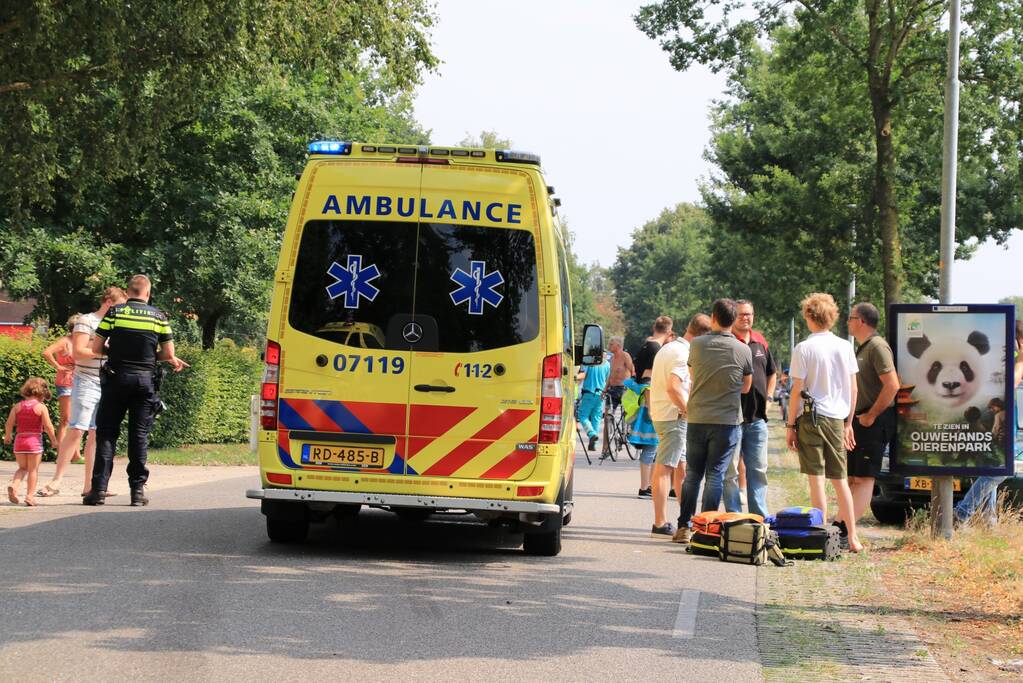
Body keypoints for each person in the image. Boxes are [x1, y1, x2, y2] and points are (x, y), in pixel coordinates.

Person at [84, 275, 189, 506]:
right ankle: (137, 493)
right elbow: (168, 354)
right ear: (148, 293)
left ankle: (98, 490)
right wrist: (151, 357)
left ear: (128, 291)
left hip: (116, 379)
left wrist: (119, 353)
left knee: (107, 434)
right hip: (145, 382)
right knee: (139, 435)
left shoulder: (115, 313)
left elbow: (96, 348)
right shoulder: (159, 317)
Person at [786, 292, 863, 552]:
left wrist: (790, 425)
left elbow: (797, 389)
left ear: (809, 316)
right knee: (840, 480)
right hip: (836, 419)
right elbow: (854, 390)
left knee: (816, 478)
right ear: (832, 317)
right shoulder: (845, 346)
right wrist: (848, 423)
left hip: (810, 417)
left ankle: (820, 535)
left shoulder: (804, 348)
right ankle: (852, 537)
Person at [674, 300, 752, 544]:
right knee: (715, 475)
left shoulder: (697, 345)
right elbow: (747, 387)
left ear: (714, 318)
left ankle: (683, 526)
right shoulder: (743, 350)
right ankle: (705, 529)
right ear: (734, 319)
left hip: (697, 416)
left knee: (693, 473)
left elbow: (694, 376)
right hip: (727, 420)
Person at [37, 287, 127, 498]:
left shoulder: (117, 325)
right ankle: (56, 481)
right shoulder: (86, 321)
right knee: (77, 428)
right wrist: (108, 349)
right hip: (87, 380)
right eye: (119, 306)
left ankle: (90, 485)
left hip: (107, 381)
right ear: (108, 302)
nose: (122, 311)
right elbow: (79, 353)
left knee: (97, 433)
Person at [648, 314, 711, 536]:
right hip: (674, 415)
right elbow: (673, 387)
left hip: (661, 412)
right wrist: (687, 410)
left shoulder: (668, 347)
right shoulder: (684, 354)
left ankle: (687, 520)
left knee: (681, 468)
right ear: (703, 336)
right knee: (665, 467)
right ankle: (659, 522)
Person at [954, 320, 1023, 524]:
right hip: (994, 423)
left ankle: (988, 520)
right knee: (999, 471)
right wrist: (1020, 360)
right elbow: (1011, 384)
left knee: (991, 468)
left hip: (1000, 423)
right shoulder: (1007, 360)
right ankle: (962, 512)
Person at [846, 302, 900, 524]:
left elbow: (892, 385)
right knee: (851, 478)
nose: (847, 322)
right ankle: (843, 524)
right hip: (860, 419)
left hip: (874, 420)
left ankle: (847, 528)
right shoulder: (863, 346)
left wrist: (871, 416)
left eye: (850, 318)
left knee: (864, 478)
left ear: (861, 321)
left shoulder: (877, 346)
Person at [723, 300, 776, 517]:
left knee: (758, 470)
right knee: (731, 472)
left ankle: (758, 519)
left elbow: (772, 372)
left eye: (750, 314)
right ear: (733, 316)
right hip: (731, 417)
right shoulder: (727, 342)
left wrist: (770, 397)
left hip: (757, 419)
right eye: (742, 314)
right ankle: (734, 518)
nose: (746, 318)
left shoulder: (760, 341)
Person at [4, 378, 58, 507]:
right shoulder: (41, 407)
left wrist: (7, 436)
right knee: (33, 470)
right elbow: (48, 426)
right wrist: (54, 440)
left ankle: (14, 485)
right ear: (41, 393)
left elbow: (9, 423)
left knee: (22, 468)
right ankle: (29, 496)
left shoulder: (17, 406)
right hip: (34, 442)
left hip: (19, 441)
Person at [41, 315, 81, 464]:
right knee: (67, 419)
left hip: (80, 381)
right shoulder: (65, 341)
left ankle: (76, 454)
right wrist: (58, 366)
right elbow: (46, 352)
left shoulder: (81, 341)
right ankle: (62, 456)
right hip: (66, 382)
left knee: (78, 420)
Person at [576, 353, 611, 452]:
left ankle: (591, 434)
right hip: (600, 394)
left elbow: (583, 375)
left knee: (583, 416)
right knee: (596, 418)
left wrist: (573, 376)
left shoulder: (589, 362)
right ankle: (593, 444)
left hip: (589, 393)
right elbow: (608, 379)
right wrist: (605, 390)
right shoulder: (607, 364)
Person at [634, 316, 673, 383]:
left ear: (654, 328)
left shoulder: (646, 345)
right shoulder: (657, 350)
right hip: (645, 392)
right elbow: (647, 379)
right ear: (669, 332)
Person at [606, 336, 634, 408]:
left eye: (611, 344)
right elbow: (611, 374)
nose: (609, 346)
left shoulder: (625, 356)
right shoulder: (612, 358)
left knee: (621, 415)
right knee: (609, 415)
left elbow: (633, 371)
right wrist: (605, 389)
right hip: (611, 389)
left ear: (618, 345)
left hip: (622, 389)